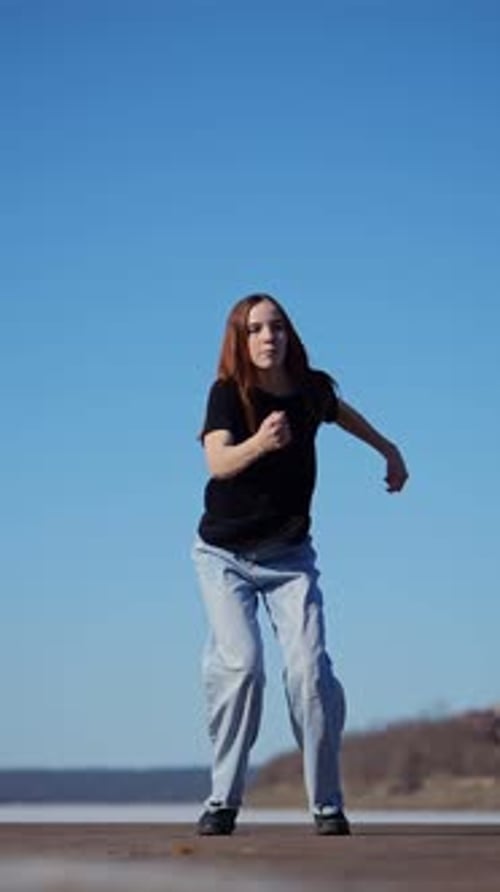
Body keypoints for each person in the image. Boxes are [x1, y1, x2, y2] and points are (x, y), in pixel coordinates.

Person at [192, 293, 408, 836]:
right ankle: (222, 800)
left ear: (290, 335)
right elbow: (217, 462)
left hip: (290, 559)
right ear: (240, 341)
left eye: (278, 327)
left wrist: (388, 450)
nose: (269, 337)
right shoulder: (228, 395)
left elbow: (340, 412)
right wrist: (260, 445)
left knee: (310, 672)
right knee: (241, 667)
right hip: (225, 558)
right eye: (256, 329)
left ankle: (326, 804)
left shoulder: (311, 390)